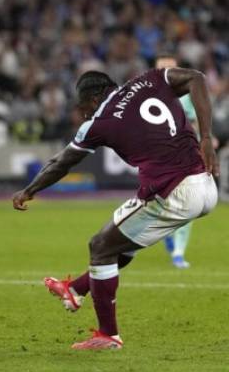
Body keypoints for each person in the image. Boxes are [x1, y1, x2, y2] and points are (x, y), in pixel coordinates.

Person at [12, 68, 218, 350]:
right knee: (119, 245)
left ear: (94, 98)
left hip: (174, 190)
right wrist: (206, 137)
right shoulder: (150, 79)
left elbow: (62, 163)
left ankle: (108, 335)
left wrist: (29, 190)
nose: (84, 114)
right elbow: (197, 77)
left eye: (84, 107)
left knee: (100, 247)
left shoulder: (100, 123)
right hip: (205, 184)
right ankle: (74, 290)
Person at [154, 55, 198, 268]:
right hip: (159, 157)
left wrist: (206, 140)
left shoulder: (186, 95)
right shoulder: (147, 95)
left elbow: (194, 120)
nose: (166, 72)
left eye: (171, 68)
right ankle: (166, 231)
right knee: (160, 202)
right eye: (162, 68)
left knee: (190, 202)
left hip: (185, 155)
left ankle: (179, 253)